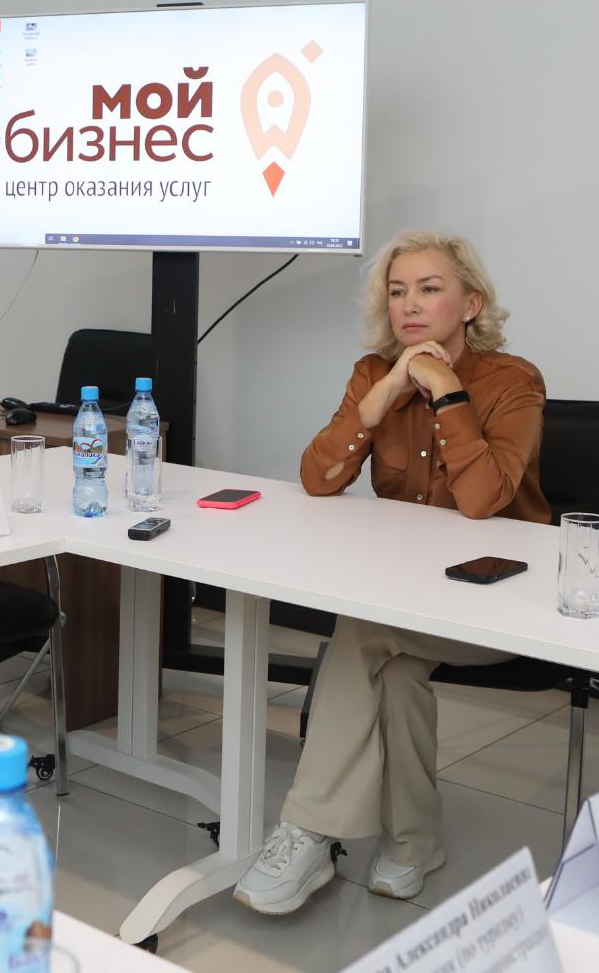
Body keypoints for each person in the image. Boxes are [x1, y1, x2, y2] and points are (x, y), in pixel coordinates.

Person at [234, 230, 548, 915]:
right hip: (412, 599)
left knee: (361, 631)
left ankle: (308, 830)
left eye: (429, 289)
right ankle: (413, 843)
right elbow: (318, 478)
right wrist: (378, 401)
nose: (409, 304)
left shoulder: (513, 381)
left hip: (504, 601)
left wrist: (448, 392)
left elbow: (482, 499)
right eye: (398, 290)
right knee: (395, 668)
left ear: (471, 303)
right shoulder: (374, 372)